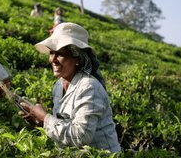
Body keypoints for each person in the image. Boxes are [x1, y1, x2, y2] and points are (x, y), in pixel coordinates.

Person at [19, 22, 121, 153]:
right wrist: (39, 122)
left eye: (60, 54)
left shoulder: (89, 87)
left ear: (77, 59)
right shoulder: (58, 86)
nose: (53, 60)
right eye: (51, 53)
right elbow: (65, 126)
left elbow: (81, 136)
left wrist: (45, 118)